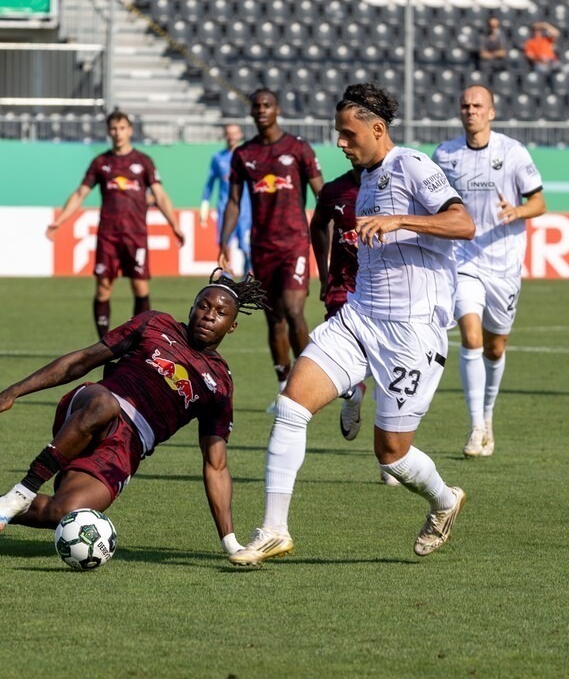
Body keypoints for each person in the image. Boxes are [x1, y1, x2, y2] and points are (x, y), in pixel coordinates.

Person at [228, 82, 475, 566]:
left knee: (392, 455)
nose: (340, 142)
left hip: (412, 334)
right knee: (291, 407)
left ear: (376, 128)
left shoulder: (413, 166)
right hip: (360, 318)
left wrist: (402, 220)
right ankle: (274, 530)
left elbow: (462, 222)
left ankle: (444, 500)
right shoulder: (363, 182)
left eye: (347, 133)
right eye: (337, 133)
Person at [0, 270, 268, 559]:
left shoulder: (219, 383)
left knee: (64, 512)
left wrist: (230, 542)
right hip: (94, 405)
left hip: (125, 448)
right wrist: (14, 390)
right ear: (192, 307)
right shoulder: (155, 324)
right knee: (106, 405)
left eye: (220, 313)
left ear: (232, 326)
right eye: (203, 306)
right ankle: (24, 489)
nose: (209, 315)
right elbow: (83, 359)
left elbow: (216, 464)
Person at [433, 85, 546, 458]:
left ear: (491, 113)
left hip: (504, 262)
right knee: (470, 335)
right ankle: (475, 427)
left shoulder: (512, 153)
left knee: (495, 347)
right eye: (464, 105)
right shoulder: (445, 155)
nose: (470, 111)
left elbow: (539, 202)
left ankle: (488, 415)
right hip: (463, 260)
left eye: (478, 105)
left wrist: (517, 211)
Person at [217, 89, 324, 409]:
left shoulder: (298, 149)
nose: (262, 110)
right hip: (261, 248)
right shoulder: (244, 154)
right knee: (274, 319)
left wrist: (333, 227)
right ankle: (284, 387)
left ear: (278, 109)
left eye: (267, 105)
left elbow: (322, 193)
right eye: (257, 106)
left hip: (294, 244)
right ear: (251, 112)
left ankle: (309, 384)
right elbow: (234, 201)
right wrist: (224, 240)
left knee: (293, 311)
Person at [46, 111, 185, 338]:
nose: (118, 133)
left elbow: (160, 195)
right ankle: (103, 341)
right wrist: (59, 222)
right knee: (103, 287)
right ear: (108, 131)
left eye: (122, 128)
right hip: (108, 235)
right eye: (113, 129)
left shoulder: (143, 162)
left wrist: (174, 225)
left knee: (140, 287)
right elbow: (80, 193)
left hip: (135, 234)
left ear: (129, 130)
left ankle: (141, 341)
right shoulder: (101, 162)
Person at [309, 166, 401, 485]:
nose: (345, 145)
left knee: (389, 374)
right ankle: (352, 391)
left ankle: (391, 457)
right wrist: (323, 273)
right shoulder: (334, 190)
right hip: (343, 289)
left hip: (387, 292)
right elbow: (318, 225)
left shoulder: (399, 183)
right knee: (341, 355)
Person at [201, 123, 252, 276]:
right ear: (225, 136)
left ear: (240, 135)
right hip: (225, 209)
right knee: (225, 245)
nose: (232, 137)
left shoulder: (247, 156)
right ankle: (226, 280)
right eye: (229, 133)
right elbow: (209, 183)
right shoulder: (218, 158)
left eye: (234, 133)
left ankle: (246, 280)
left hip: (246, 211)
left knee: (247, 248)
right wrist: (204, 205)